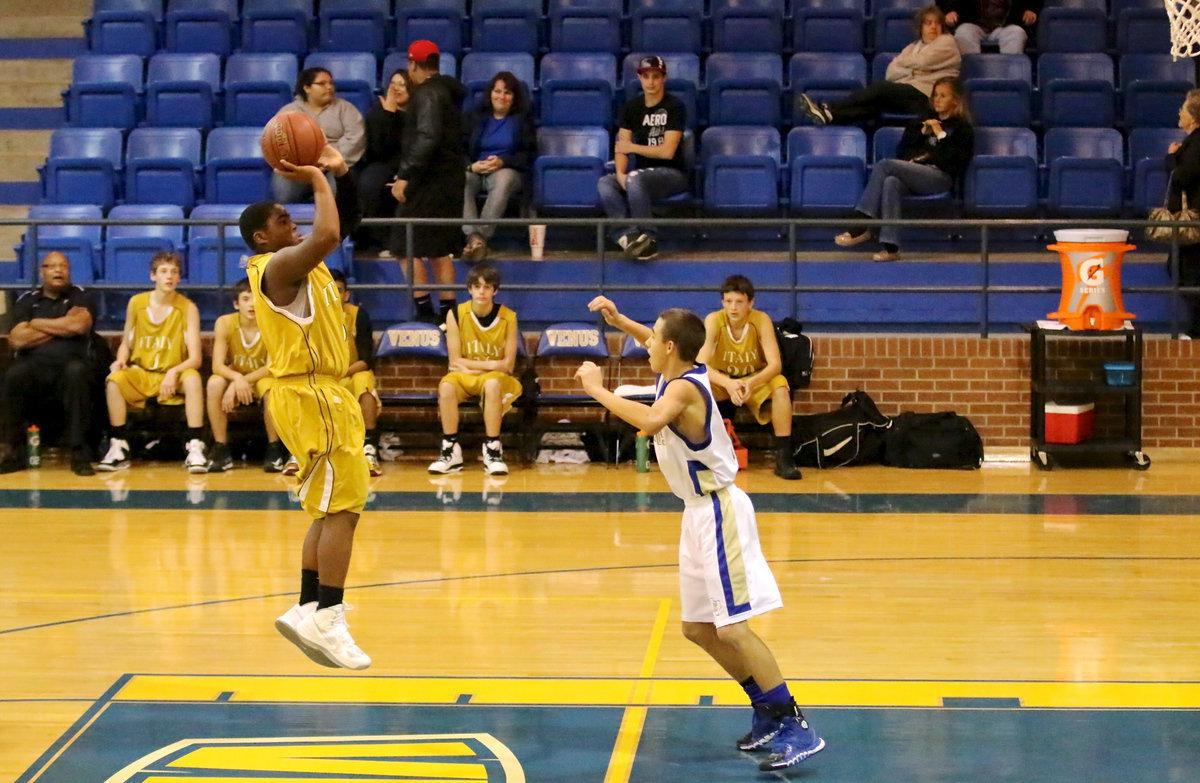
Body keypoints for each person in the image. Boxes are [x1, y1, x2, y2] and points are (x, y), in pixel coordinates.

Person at [578, 296, 825, 772]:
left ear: (671, 348)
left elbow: (649, 422)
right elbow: (648, 338)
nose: (646, 342)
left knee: (732, 625)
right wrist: (618, 319)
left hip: (719, 510)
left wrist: (597, 388)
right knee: (697, 628)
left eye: (654, 337)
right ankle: (765, 711)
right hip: (695, 513)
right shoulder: (674, 366)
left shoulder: (683, 391)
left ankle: (795, 723)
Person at [239, 143, 372, 670]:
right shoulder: (277, 269)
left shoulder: (305, 265)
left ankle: (309, 606)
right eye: (280, 217)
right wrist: (317, 176)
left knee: (327, 506)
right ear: (261, 237)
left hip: (319, 392)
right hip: (313, 392)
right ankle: (329, 616)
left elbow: (347, 222)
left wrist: (342, 174)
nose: (290, 219)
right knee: (345, 509)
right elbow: (330, 233)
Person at [833, 76, 974, 262]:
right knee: (892, 182)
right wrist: (919, 136)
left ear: (955, 100)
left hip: (940, 177)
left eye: (943, 95)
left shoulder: (963, 128)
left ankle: (861, 224)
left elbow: (953, 161)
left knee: (885, 165)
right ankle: (891, 247)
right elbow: (902, 152)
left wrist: (940, 134)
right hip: (914, 174)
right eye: (935, 95)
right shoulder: (921, 122)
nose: (937, 99)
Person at [98, 251, 206, 473]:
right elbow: (126, 343)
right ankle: (118, 445)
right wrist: (119, 361)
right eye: (164, 272)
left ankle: (195, 445)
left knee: (193, 380)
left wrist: (173, 371)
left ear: (179, 278)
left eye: (174, 272)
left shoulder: (188, 308)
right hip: (143, 371)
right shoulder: (136, 303)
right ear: (153, 276)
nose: (169, 277)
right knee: (114, 381)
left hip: (174, 373)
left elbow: (195, 359)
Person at [0, 251, 98, 476]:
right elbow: (17, 339)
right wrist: (61, 325)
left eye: (63, 266)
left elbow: (77, 327)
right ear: (42, 272)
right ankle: (11, 452)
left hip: (71, 363)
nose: (58, 270)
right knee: (13, 375)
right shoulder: (27, 300)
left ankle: (79, 453)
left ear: (69, 271)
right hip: (34, 365)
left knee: (77, 373)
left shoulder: (81, 297)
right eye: (51, 266)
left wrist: (34, 323)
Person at [390, 40, 467, 324]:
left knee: (403, 244)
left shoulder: (427, 94)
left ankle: (424, 311)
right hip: (448, 179)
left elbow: (427, 137)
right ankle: (448, 313)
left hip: (429, 180)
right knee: (438, 247)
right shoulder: (446, 90)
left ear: (412, 64)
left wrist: (406, 175)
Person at [697, 275, 801, 480]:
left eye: (739, 302)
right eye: (728, 302)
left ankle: (784, 457)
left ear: (750, 303)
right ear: (722, 302)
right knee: (694, 384)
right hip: (724, 380)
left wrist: (749, 383)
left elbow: (775, 365)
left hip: (753, 380)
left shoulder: (761, 320)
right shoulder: (714, 320)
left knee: (780, 386)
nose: (733, 308)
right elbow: (700, 364)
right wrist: (728, 384)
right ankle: (702, 452)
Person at [427, 262, 521, 477]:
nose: (481, 291)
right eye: (477, 287)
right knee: (447, 384)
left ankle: (493, 449)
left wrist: (477, 367)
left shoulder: (508, 317)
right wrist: (490, 365)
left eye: (487, 287)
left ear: (495, 291)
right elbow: (454, 360)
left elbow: (507, 365)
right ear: (469, 289)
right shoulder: (455, 314)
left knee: (492, 382)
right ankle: (450, 450)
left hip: (497, 378)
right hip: (466, 377)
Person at [798, 5, 960, 126]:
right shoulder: (913, 47)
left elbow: (923, 62)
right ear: (920, 27)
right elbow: (891, 72)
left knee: (880, 88)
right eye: (928, 23)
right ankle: (830, 116)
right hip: (908, 94)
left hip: (928, 97)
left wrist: (908, 65)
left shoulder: (947, 42)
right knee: (873, 106)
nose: (933, 27)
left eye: (937, 23)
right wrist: (915, 68)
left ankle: (829, 106)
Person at [597, 55, 689, 262]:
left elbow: (667, 152)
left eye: (655, 76)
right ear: (640, 78)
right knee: (606, 182)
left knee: (635, 177)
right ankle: (627, 235)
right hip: (640, 174)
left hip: (672, 174)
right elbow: (622, 146)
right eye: (646, 76)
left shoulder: (675, 106)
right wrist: (620, 173)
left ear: (663, 78)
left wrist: (632, 149)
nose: (651, 82)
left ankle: (649, 238)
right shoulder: (632, 107)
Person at [204, 278, 289, 473]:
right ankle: (221, 448)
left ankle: (274, 448)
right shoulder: (224, 323)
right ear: (236, 304)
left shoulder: (274, 322)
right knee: (214, 383)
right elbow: (217, 365)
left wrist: (241, 382)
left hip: (262, 378)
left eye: (256, 299)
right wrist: (237, 379)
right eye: (245, 299)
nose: (251, 304)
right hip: (238, 376)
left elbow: (272, 367)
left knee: (271, 387)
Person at [461, 71, 537, 261]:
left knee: (504, 178)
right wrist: (472, 167)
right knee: (462, 178)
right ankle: (474, 239)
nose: (501, 97)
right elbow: (458, 149)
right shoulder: (475, 117)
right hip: (477, 169)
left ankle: (479, 237)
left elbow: (528, 154)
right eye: (497, 91)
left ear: (514, 97)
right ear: (490, 93)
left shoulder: (522, 120)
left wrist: (503, 162)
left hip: (507, 170)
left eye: (507, 93)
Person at [271, 67, 366, 204]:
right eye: (322, 84)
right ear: (307, 88)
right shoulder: (289, 111)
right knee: (284, 194)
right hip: (298, 166)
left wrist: (328, 160)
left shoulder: (346, 109)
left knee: (335, 197)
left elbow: (355, 139)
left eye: (331, 83)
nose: (328, 87)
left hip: (334, 165)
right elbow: (278, 140)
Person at [330, 269, 383, 477]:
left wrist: (342, 372)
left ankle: (369, 446)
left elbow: (366, 360)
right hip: (326, 375)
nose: (334, 296)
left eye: (338, 291)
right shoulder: (311, 319)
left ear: (346, 295)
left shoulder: (358, 315)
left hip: (353, 371)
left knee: (364, 382)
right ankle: (308, 450)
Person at [357, 68, 410, 256]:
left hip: (411, 163)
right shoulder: (378, 111)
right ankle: (381, 242)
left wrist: (405, 173)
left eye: (402, 84)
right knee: (370, 182)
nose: (396, 89)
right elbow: (380, 149)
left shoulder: (420, 111)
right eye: (393, 84)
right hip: (383, 162)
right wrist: (388, 115)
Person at [1166, 89, 1200, 339]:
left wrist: (1171, 157)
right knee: (1179, 269)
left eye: (1183, 108)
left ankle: (1196, 331)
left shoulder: (1197, 142)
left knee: (1191, 275)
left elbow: (1183, 176)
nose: (1179, 111)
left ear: (1194, 116)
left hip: (1195, 221)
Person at [940, 0, 1041, 54]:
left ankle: (1009, 80)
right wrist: (949, 11)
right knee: (963, 32)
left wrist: (1031, 10)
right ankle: (971, 77)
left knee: (1017, 33)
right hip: (974, 24)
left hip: (1006, 25)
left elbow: (1034, 3)